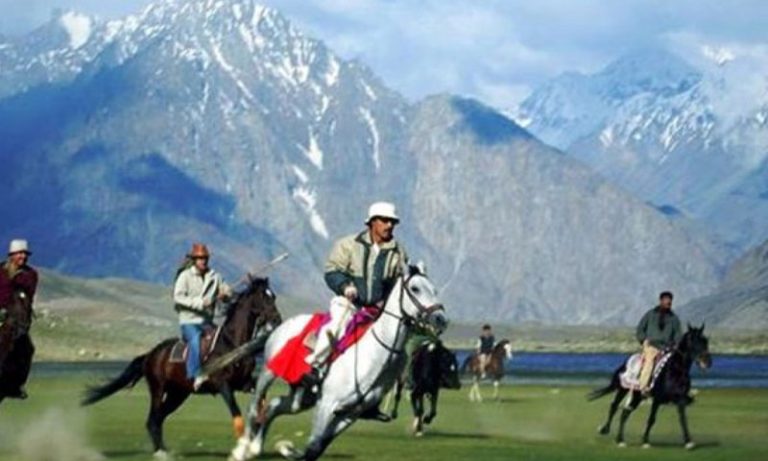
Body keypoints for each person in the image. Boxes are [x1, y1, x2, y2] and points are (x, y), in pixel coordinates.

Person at [305, 202, 408, 371]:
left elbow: (398, 283)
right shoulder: (348, 244)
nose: (390, 225)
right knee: (336, 325)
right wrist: (345, 286)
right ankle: (315, 366)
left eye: (392, 222)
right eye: (385, 220)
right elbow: (332, 271)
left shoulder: (399, 252)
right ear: (372, 222)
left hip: (379, 310)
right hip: (349, 304)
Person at [173, 243, 230, 391]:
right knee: (195, 339)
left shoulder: (215, 276)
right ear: (194, 259)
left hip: (207, 321)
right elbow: (178, 297)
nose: (203, 261)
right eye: (199, 258)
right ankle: (195, 374)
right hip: (188, 321)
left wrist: (226, 293)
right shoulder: (185, 276)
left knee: (223, 339)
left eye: (205, 258)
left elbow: (225, 288)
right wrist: (200, 303)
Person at [0, 239, 39, 398]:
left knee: (28, 350)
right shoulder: (0, 272)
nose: (23, 256)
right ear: (11, 255)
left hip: (17, 318)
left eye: (25, 253)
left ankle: (16, 385)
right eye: (19, 253)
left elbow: (27, 293)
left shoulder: (30, 274)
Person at [636, 291, 683, 393]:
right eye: (666, 300)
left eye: (670, 301)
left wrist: (676, 344)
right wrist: (643, 340)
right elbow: (640, 329)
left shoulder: (674, 319)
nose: (668, 303)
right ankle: (643, 388)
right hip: (651, 345)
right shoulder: (650, 315)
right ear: (661, 301)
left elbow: (678, 334)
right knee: (649, 362)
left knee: (678, 364)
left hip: (667, 348)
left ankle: (679, 387)